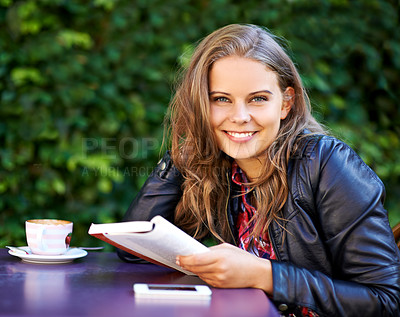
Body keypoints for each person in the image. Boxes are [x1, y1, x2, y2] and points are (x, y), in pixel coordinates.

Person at [117, 24, 400, 316]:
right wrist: (190, 145)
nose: (239, 117)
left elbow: (386, 301)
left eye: (258, 99)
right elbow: (134, 251)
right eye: (221, 99)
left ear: (285, 104)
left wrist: (265, 275)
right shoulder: (221, 171)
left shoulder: (326, 164)